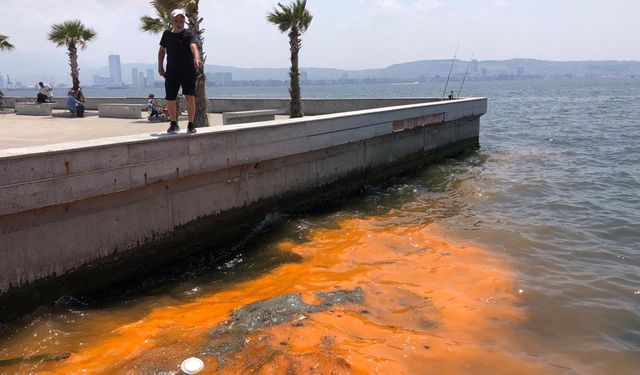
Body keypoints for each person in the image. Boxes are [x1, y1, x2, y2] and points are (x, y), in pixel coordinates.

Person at [158, 8, 201, 134]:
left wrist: (197, 58)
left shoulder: (188, 34)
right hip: (172, 71)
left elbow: (193, 46)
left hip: (188, 71)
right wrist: (160, 66)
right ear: (172, 21)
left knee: (189, 96)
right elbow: (161, 50)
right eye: (176, 20)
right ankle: (173, 123)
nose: (179, 22)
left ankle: (191, 124)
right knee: (170, 97)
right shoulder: (167, 34)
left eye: (182, 20)